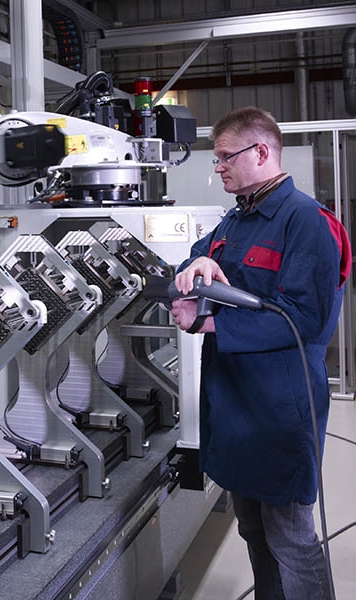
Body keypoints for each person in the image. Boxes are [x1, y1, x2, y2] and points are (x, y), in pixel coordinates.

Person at [171, 106, 351, 599]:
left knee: (291, 538)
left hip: (279, 409)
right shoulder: (235, 219)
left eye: (226, 156)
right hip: (233, 407)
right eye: (217, 157)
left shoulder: (307, 222)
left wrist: (208, 321)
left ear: (262, 152)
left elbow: (303, 319)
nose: (218, 166)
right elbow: (193, 264)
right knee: (252, 530)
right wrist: (201, 258)